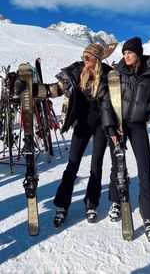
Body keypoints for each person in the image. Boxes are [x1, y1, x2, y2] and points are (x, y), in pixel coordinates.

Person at [15, 43, 112, 226]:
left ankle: (91, 203)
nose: (85, 60)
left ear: (97, 59)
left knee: (96, 166)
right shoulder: (76, 72)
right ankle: (62, 205)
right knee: (72, 165)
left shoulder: (108, 75)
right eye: (84, 56)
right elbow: (54, 89)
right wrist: (31, 88)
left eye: (89, 57)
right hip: (82, 125)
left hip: (101, 126)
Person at [100, 37, 150, 241]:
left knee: (144, 169)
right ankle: (117, 201)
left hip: (137, 125)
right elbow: (107, 101)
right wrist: (110, 127)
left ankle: (149, 216)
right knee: (117, 167)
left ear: (138, 53)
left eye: (130, 53)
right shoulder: (116, 73)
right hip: (118, 125)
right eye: (124, 53)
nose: (126, 56)